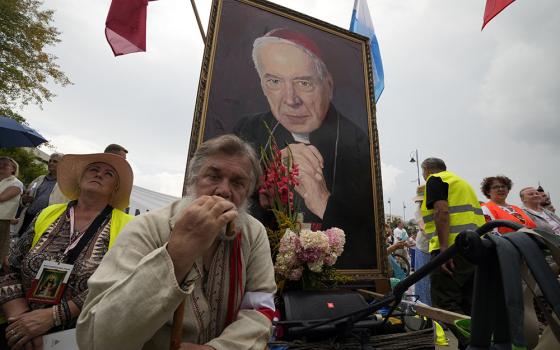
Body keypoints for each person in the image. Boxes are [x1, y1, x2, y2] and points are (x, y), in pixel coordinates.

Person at [76, 135, 276, 350]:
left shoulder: (253, 234)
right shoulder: (146, 227)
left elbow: (260, 309)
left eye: (238, 182)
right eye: (213, 176)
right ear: (193, 180)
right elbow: (96, 339)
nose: (224, 190)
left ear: (247, 192)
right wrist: (176, 256)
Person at [234, 28, 375, 269]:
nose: (290, 99)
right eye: (275, 81)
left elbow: (367, 244)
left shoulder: (357, 143)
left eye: (304, 82)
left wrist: (322, 200)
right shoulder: (248, 130)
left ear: (328, 85)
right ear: (262, 84)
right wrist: (272, 174)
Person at [0, 153, 133, 349]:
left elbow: (120, 285)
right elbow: (10, 266)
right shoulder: (48, 213)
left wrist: (51, 317)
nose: (99, 174)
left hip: (76, 336)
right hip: (21, 329)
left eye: (109, 174)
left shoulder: (128, 226)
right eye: (93, 170)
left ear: (116, 188)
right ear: (80, 179)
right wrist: (21, 320)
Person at [420, 158, 485, 315]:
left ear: (426, 170)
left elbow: (441, 211)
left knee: (444, 303)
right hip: (474, 249)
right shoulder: (463, 184)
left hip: (452, 248)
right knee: (468, 303)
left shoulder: (435, 179)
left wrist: (444, 250)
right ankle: (478, 339)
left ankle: (468, 340)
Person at [16, 153, 68, 236]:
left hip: (46, 220)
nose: (51, 163)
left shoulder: (66, 184)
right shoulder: (39, 178)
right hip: (29, 217)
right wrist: (23, 200)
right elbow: (25, 196)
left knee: (36, 245)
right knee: (20, 241)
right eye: (50, 161)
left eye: (55, 161)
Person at [0, 157, 24, 262]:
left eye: (6, 164)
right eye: (0, 163)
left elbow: (1, 198)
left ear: (13, 169)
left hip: (2, 220)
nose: (2, 165)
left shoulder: (16, 183)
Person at [412, 184, 432, 306]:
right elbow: (424, 228)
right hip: (425, 247)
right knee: (425, 281)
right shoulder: (419, 210)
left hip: (432, 246)